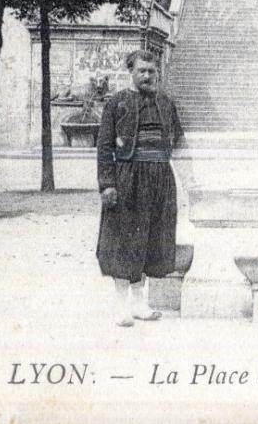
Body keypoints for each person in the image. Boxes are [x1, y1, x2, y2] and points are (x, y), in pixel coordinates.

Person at [96, 50, 186, 327]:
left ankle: (140, 304)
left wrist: (187, 181)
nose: (147, 76)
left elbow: (180, 143)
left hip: (160, 178)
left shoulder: (167, 102)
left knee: (149, 239)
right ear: (131, 72)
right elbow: (104, 147)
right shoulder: (117, 103)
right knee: (123, 240)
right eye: (142, 71)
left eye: (152, 71)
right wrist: (107, 184)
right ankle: (122, 307)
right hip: (128, 177)